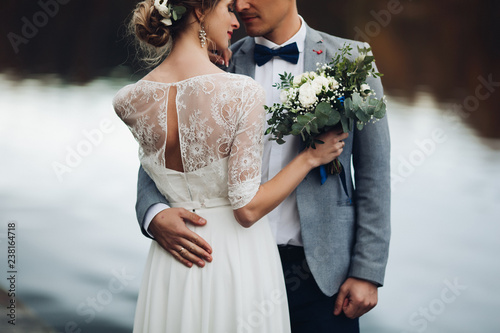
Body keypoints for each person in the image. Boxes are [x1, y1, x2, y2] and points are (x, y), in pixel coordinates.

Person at [135, 0, 391, 331]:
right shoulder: (215, 61)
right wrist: (153, 213)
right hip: (230, 267)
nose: (241, 5)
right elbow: (158, 153)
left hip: (323, 276)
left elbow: (375, 175)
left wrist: (367, 271)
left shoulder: (354, 61)